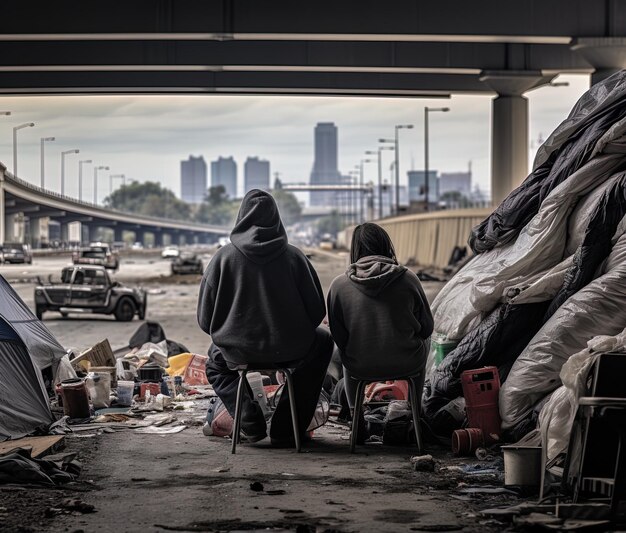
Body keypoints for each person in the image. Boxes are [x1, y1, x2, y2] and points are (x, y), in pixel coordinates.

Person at [197, 189, 333, 445]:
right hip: (291, 350)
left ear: (241, 217)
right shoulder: (295, 257)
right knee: (324, 343)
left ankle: (249, 421)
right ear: (277, 218)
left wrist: (232, 333)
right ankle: (286, 428)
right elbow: (317, 313)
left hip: (238, 352)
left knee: (215, 363)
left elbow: (205, 320)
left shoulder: (222, 259)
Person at [326, 222, 434, 419]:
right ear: (386, 246)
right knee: (425, 341)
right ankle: (415, 412)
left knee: (347, 353)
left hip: (361, 365)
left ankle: (355, 415)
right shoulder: (409, 278)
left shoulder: (339, 286)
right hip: (406, 362)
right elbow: (427, 328)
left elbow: (339, 338)